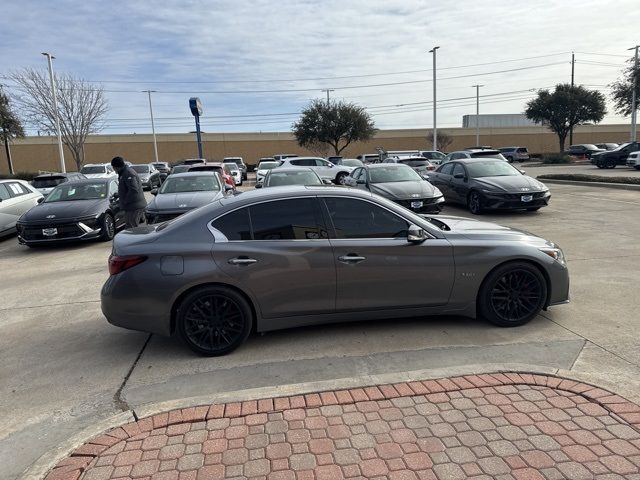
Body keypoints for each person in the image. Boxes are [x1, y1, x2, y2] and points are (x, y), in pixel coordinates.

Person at [110, 156, 147, 228]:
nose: (114, 170)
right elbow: (126, 189)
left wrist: (125, 201)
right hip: (131, 206)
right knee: (129, 227)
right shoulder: (124, 173)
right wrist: (120, 195)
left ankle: (136, 239)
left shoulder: (128, 173)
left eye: (113, 167)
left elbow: (134, 190)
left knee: (131, 228)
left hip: (134, 206)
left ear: (116, 167)